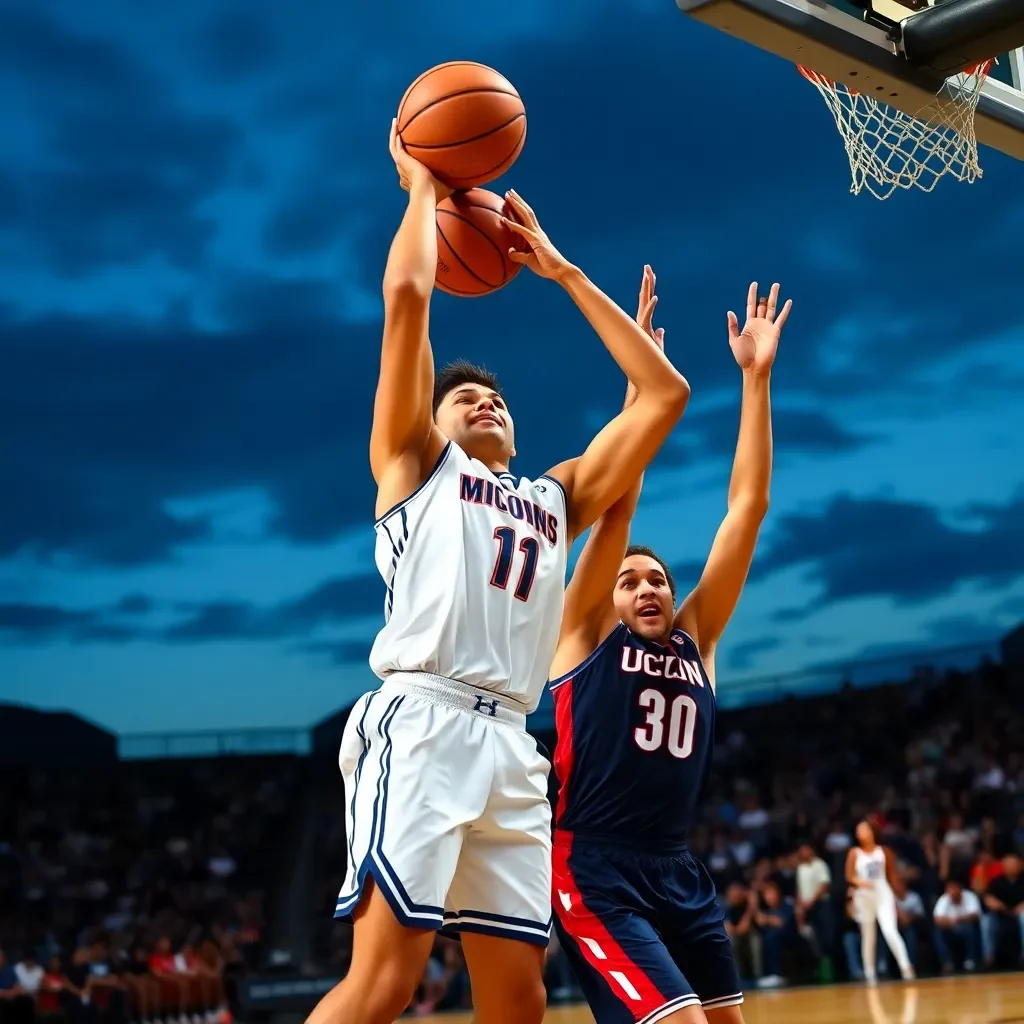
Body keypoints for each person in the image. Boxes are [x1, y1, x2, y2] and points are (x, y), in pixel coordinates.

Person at [308, 124, 691, 1024]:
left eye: (498, 399)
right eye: (464, 398)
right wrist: (421, 188)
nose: (485, 401)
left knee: (520, 1000)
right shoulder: (416, 465)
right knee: (385, 984)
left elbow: (666, 394)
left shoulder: (555, 498)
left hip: (513, 745)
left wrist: (564, 273)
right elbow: (408, 297)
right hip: (423, 720)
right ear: (434, 420)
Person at [548, 282, 791, 1024]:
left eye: (657, 579)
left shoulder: (697, 640)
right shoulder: (583, 635)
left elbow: (746, 509)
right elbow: (614, 505)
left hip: (677, 867)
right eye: (629, 581)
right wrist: (640, 398)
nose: (647, 587)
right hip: (594, 866)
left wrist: (756, 381)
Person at [846, 819, 916, 984]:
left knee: (890, 930)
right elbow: (849, 876)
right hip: (863, 894)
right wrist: (861, 884)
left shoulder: (884, 851)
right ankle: (870, 973)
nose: (860, 833)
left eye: (863, 829)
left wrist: (898, 899)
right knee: (868, 935)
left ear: (872, 831)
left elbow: (892, 876)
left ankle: (906, 966)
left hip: (882, 892)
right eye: (858, 830)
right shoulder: (854, 853)